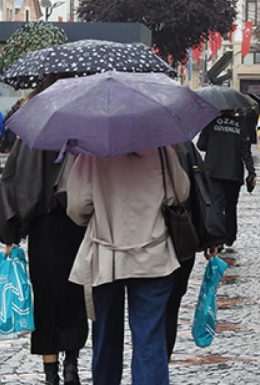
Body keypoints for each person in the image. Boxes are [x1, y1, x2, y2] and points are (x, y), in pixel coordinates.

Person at [66, 146, 189, 385]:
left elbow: (77, 208)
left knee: (105, 336)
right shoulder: (162, 151)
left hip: (106, 256)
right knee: (150, 337)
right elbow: (179, 194)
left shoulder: (91, 154)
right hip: (154, 256)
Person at [0, 76, 88, 385]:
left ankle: (50, 371)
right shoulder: (81, 125)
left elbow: (13, 180)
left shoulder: (31, 128)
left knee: (45, 296)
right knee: (74, 293)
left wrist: (10, 232)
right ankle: (71, 365)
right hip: (76, 223)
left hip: (42, 227)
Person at [197, 110, 256, 248]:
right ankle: (230, 236)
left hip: (214, 170)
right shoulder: (240, 123)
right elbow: (245, 149)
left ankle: (218, 239)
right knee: (231, 206)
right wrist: (251, 171)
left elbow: (201, 145)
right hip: (233, 170)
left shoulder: (211, 122)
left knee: (217, 204)